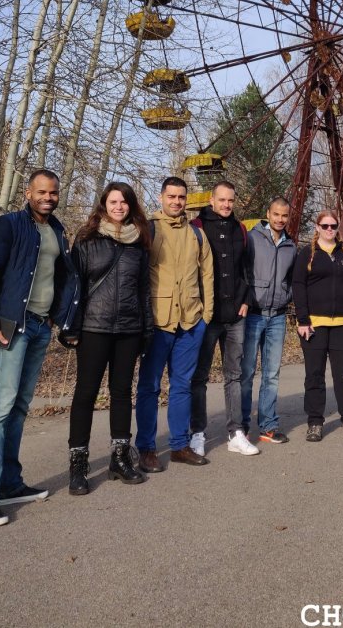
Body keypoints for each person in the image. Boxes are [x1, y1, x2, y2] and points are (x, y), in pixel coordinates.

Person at [0, 168, 80, 528]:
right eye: (42, 192)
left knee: (18, 408)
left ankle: (9, 484)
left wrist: (57, 318)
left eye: (54, 192)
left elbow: (60, 277)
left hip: (38, 327)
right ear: (28, 193)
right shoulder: (9, 225)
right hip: (10, 327)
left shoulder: (57, 230)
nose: (49, 197)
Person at [65, 182, 152, 494]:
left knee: (121, 393)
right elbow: (73, 287)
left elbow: (144, 290)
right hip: (93, 327)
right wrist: (71, 328)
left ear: (130, 206)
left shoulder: (140, 241)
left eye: (124, 202)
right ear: (103, 204)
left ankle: (119, 458)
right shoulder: (87, 239)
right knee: (86, 394)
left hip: (129, 328)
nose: (119, 207)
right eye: (113, 201)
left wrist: (146, 328)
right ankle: (78, 464)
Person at [134, 176, 214, 471]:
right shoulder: (148, 230)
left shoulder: (197, 234)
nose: (177, 202)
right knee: (149, 387)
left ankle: (180, 445)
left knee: (182, 386)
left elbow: (207, 275)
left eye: (182, 197)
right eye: (172, 197)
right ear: (161, 197)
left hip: (191, 321)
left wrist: (205, 316)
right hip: (159, 321)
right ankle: (146, 448)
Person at [189, 181, 258, 456]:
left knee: (235, 375)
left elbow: (246, 269)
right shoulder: (197, 226)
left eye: (231, 200)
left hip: (235, 316)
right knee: (200, 377)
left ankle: (236, 433)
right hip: (207, 317)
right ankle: (197, 433)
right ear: (211, 199)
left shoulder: (241, 230)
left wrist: (245, 300)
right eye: (222, 200)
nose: (227, 205)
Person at [292, 209, 343, 443]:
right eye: (325, 226)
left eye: (333, 226)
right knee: (314, 375)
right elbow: (298, 286)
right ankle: (315, 422)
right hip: (314, 325)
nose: (330, 230)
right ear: (317, 228)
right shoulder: (307, 254)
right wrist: (302, 320)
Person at [240, 196, 297, 444]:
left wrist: (287, 295)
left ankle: (268, 425)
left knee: (271, 374)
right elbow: (242, 271)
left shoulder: (291, 246)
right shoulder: (252, 239)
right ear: (268, 213)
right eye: (276, 214)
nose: (280, 219)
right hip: (253, 314)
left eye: (284, 215)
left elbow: (293, 279)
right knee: (247, 372)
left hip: (278, 317)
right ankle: (240, 425)